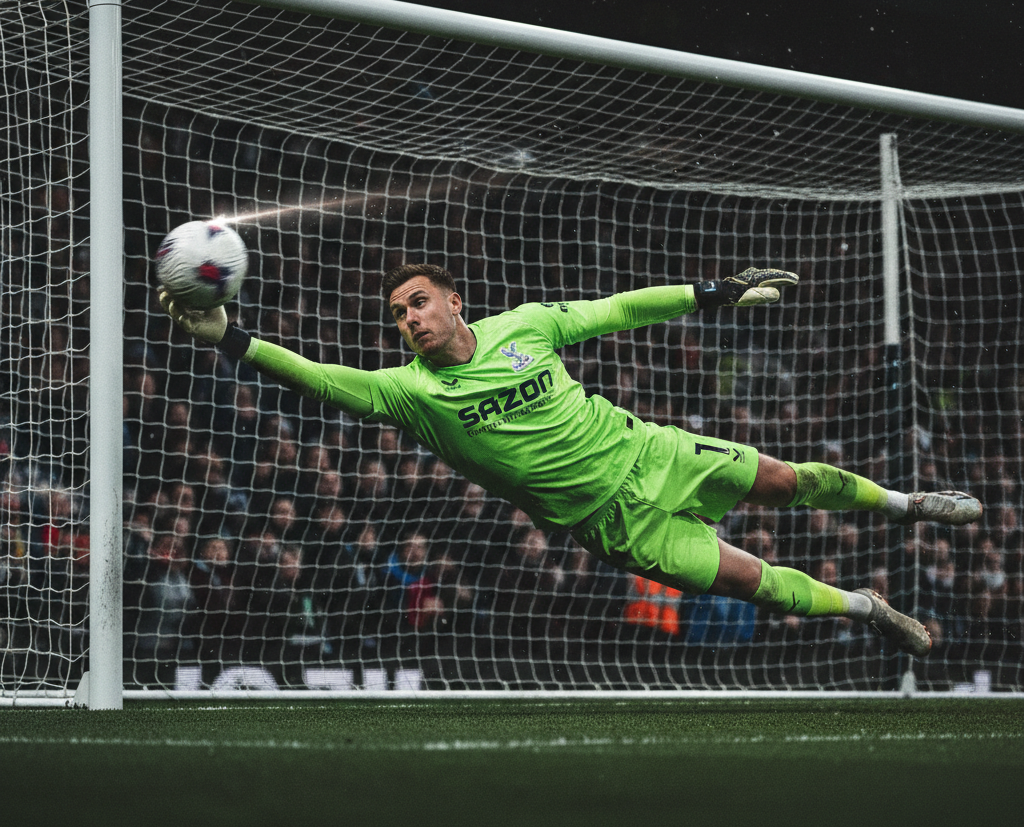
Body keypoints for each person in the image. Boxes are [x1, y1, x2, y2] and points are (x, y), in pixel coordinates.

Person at [160, 263, 985, 658]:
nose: (408, 319)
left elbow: (619, 309)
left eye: (419, 302)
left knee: (782, 480)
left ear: (455, 302)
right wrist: (232, 338)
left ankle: (912, 504)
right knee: (745, 580)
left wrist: (714, 292)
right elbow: (317, 379)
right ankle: (865, 607)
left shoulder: (526, 326)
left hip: (650, 452)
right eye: (398, 314)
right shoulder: (406, 392)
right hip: (608, 522)